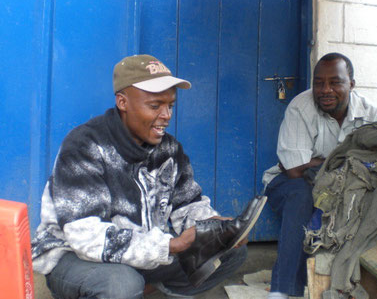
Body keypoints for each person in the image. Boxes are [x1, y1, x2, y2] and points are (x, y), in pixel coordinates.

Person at [31, 54, 266, 299]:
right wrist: (171, 245)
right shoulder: (84, 146)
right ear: (123, 102)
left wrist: (215, 227)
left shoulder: (168, 149)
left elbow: (188, 204)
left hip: (142, 251)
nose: (166, 115)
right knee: (121, 284)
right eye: (155, 106)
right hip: (74, 257)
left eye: (170, 105)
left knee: (230, 253)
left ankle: (153, 291)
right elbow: (85, 237)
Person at [262, 53, 377, 299]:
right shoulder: (301, 106)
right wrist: (343, 161)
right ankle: (282, 291)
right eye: (318, 83)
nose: (325, 90)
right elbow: (295, 170)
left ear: (351, 84)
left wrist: (319, 162)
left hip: (344, 188)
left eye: (335, 82)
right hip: (287, 183)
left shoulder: (371, 115)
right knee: (302, 195)